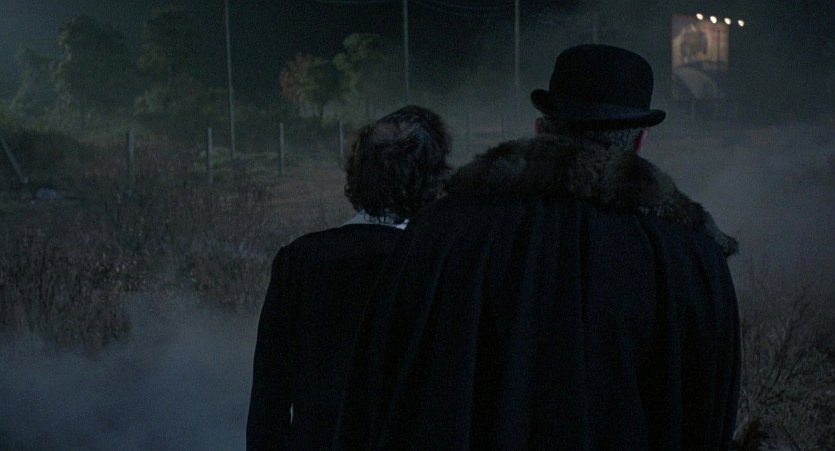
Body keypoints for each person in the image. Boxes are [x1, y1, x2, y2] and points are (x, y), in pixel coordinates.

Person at [335, 45, 740, 450]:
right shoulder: (691, 259)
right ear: (639, 142)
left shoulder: (443, 232)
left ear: (542, 129)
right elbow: (707, 415)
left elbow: (379, 387)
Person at [246, 105, 452, 450]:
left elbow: (270, 398)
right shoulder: (440, 264)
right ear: (433, 180)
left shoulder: (299, 261)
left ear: (358, 173)